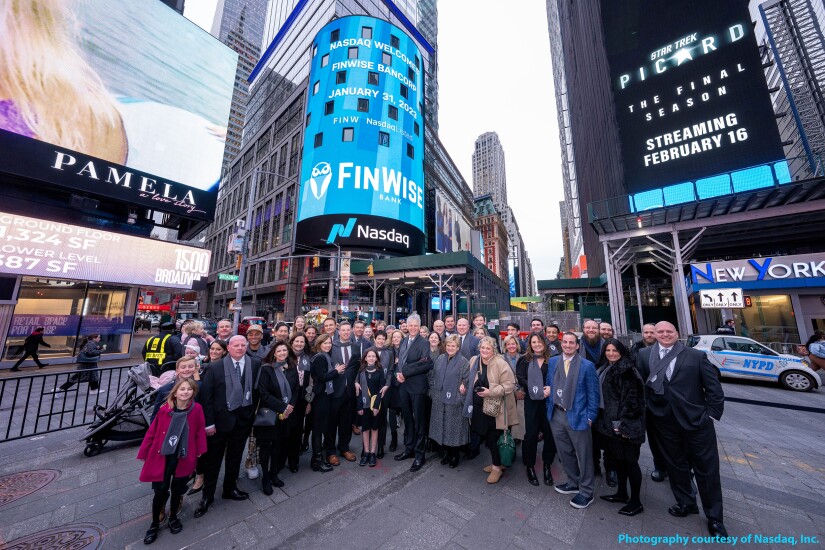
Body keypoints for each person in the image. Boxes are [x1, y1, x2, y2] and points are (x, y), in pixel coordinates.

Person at [636, 321, 727, 537]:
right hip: (663, 421)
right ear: (654, 334)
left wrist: (710, 415)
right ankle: (686, 502)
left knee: (707, 470)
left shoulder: (695, 356)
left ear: (677, 333)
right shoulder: (644, 354)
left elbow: (713, 389)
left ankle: (715, 518)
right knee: (675, 465)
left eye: (669, 331)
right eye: (661, 331)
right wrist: (649, 409)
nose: (665, 334)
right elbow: (641, 386)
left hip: (697, 422)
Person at [193, 335, 261, 518]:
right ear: (228, 348)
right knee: (213, 461)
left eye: (242, 345)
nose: (240, 348)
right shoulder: (215, 368)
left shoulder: (254, 365)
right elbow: (207, 398)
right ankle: (207, 496)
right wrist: (209, 424)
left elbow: (256, 392)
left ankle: (230, 488)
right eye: (236, 345)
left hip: (242, 421)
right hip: (219, 423)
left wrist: (250, 416)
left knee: (235, 457)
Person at [138, 378, 207, 545]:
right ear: (175, 392)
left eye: (189, 389)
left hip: (183, 456)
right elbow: (153, 432)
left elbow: (199, 430)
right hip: (163, 456)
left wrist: (199, 451)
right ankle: (154, 524)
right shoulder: (164, 409)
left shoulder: (196, 409)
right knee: (160, 491)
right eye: (182, 389)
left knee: (178, 490)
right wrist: (144, 453)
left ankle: (173, 517)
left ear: (193, 392)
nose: (185, 392)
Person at [547, 332, 600, 509]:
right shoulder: (553, 361)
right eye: (565, 342)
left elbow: (593, 394)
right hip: (557, 414)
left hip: (578, 415)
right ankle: (573, 481)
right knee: (564, 452)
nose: (568, 345)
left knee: (584, 455)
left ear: (577, 346)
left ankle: (586, 491)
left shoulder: (587, 366)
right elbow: (550, 384)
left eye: (572, 343)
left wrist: (590, 417)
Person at [596, 339, 646, 516]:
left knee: (631, 463)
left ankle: (636, 502)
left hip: (625, 427)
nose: (611, 353)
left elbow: (634, 401)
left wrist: (625, 426)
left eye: (614, 350)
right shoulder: (607, 367)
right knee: (619, 461)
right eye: (608, 350)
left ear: (622, 351)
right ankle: (622, 493)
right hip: (611, 426)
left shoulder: (627, 371)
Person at [463, 336, 517, 484]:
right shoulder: (474, 360)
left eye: (488, 348)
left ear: (494, 350)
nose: (484, 350)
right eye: (482, 347)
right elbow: (468, 377)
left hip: (496, 408)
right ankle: (497, 462)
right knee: (486, 436)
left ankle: (497, 468)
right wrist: (464, 385)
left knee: (493, 437)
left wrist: (490, 391)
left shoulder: (501, 363)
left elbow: (510, 385)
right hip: (479, 407)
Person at [255, 342, 298, 494]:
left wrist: (290, 406)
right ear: (273, 353)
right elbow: (263, 393)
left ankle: (274, 473)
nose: (282, 353)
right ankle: (265, 477)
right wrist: (283, 407)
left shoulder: (291, 367)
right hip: (271, 413)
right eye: (279, 350)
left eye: (284, 350)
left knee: (278, 445)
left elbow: (296, 389)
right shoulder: (267, 369)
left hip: (287, 414)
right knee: (266, 447)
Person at [393, 314, 434, 472]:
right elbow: (400, 362)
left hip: (417, 387)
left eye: (415, 326)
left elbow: (425, 364)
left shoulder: (424, 343)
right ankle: (409, 449)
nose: (412, 328)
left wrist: (405, 373)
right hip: (403, 386)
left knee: (419, 422)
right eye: (410, 325)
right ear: (407, 326)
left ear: (419, 326)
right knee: (408, 420)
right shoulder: (404, 340)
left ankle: (419, 455)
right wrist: (398, 374)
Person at [516, 333, 557, 487]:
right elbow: (520, 377)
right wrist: (536, 389)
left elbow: (557, 377)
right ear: (530, 344)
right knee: (531, 434)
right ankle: (530, 465)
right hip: (532, 400)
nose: (537, 344)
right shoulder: (524, 359)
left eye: (539, 341)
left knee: (549, 433)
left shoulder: (553, 359)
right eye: (534, 342)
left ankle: (547, 465)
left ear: (544, 343)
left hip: (548, 401)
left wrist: (549, 389)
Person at [629, 323, 667, 482]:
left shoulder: (667, 350)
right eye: (647, 332)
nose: (649, 335)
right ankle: (660, 466)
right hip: (647, 401)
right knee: (654, 437)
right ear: (642, 333)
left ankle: (682, 469)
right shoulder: (636, 350)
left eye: (652, 332)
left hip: (667, 401)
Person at [581, 319, 616, 487]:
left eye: (593, 328)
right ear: (583, 329)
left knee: (609, 435)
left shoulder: (608, 347)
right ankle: (594, 465)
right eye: (587, 328)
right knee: (590, 435)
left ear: (599, 330)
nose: (590, 330)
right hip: (585, 398)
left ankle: (611, 468)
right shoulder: (577, 345)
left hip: (607, 399)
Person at [427, 335, 470, 468]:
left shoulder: (464, 362)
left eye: (453, 346)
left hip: (455, 400)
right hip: (439, 398)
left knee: (454, 428)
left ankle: (455, 455)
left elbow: (466, 380)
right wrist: (432, 391)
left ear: (458, 347)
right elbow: (432, 375)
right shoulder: (440, 358)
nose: (450, 348)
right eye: (448, 345)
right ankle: (446, 452)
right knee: (442, 426)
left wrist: (461, 394)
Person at [309, 334, 343, 473]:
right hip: (320, 397)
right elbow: (323, 377)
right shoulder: (320, 357)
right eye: (325, 343)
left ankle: (317, 458)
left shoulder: (325, 356)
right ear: (319, 344)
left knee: (321, 428)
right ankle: (317, 460)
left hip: (324, 396)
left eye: (329, 343)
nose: (328, 345)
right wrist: (337, 371)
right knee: (318, 430)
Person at [330, 321, 361, 461]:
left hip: (349, 391)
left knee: (346, 422)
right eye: (343, 330)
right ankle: (330, 451)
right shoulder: (332, 346)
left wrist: (356, 382)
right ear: (339, 331)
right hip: (335, 390)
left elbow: (358, 367)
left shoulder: (356, 346)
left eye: (349, 330)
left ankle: (344, 448)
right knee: (332, 421)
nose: (346, 332)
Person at [355, 349, 386, 466]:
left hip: (375, 406)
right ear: (365, 358)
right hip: (364, 405)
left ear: (376, 358)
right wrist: (359, 406)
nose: (371, 358)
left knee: (374, 428)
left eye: (374, 356)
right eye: (369, 356)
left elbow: (381, 389)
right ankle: (366, 452)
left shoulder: (379, 371)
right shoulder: (361, 371)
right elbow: (358, 390)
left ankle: (373, 453)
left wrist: (377, 406)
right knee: (365, 429)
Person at [151, 356, 200, 420]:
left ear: (195, 369)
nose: (187, 369)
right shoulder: (165, 389)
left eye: (190, 367)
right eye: (183, 367)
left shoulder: (200, 387)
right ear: (177, 370)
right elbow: (156, 415)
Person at [290, 333, 313, 462]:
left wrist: (309, 401)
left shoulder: (308, 358)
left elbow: (311, 382)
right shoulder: (285, 355)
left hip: (302, 398)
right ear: (292, 342)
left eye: (302, 342)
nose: (299, 344)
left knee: (298, 429)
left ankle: (294, 459)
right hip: (287, 398)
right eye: (296, 341)